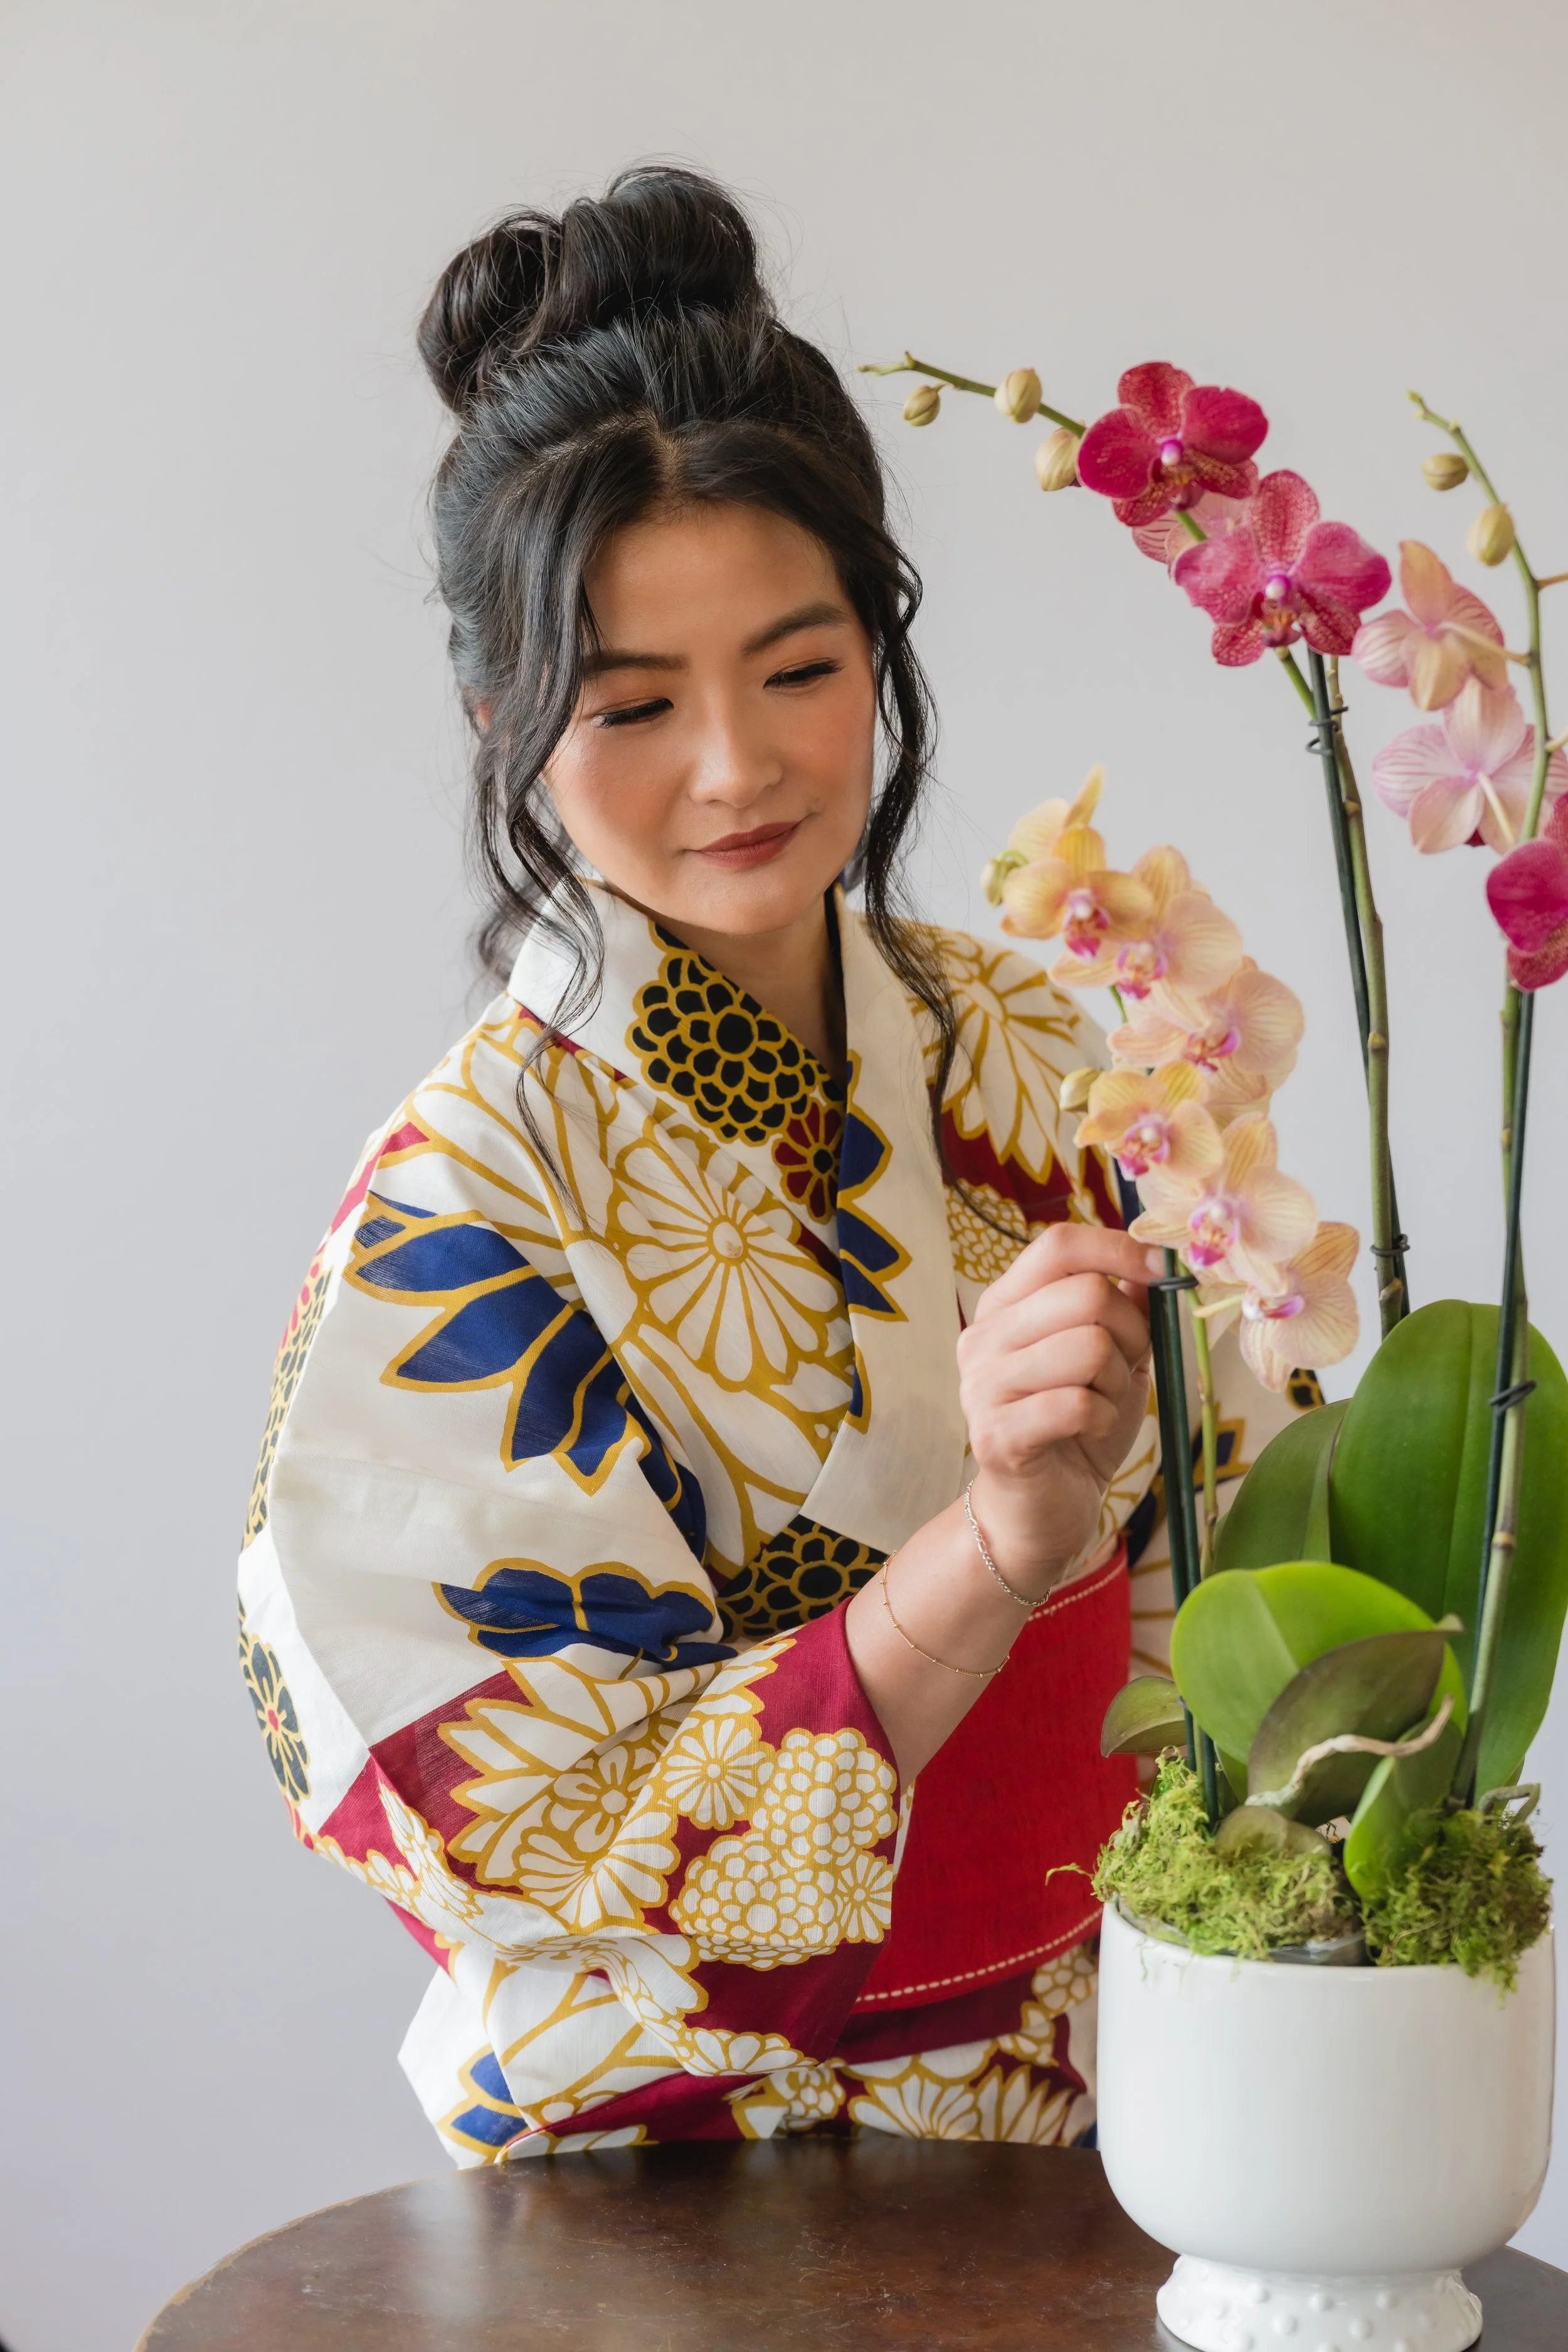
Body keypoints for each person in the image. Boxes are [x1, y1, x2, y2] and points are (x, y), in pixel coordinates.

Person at [238, 165, 1292, 2160]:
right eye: (631, 703)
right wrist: (984, 1550)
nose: (734, 766)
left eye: (799, 670)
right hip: (674, 2130)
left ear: (880, 644)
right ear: (502, 713)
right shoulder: (462, 1198)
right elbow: (465, 1766)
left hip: (1105, 2072)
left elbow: (1237, 1537)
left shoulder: (1046, 1046)